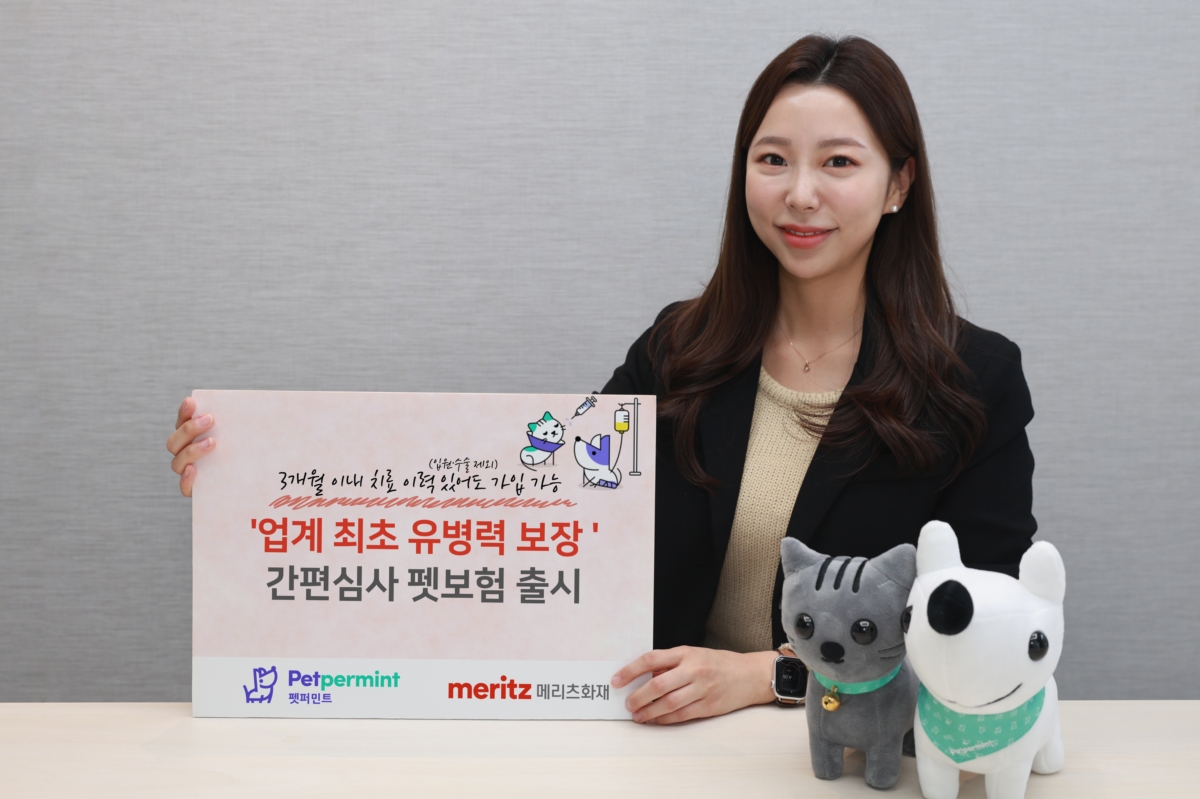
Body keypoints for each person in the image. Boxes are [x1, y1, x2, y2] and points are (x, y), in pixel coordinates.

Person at [168, 34, 1035, 728]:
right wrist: (260, 477)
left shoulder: (974, 381)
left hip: (853, 757)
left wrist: (766, 675)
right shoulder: (679, 351)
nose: (799, 193)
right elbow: (530, 498)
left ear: (898, 184)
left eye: (838, 163)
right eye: (772, 159)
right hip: (659, 747)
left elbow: (988, 627)